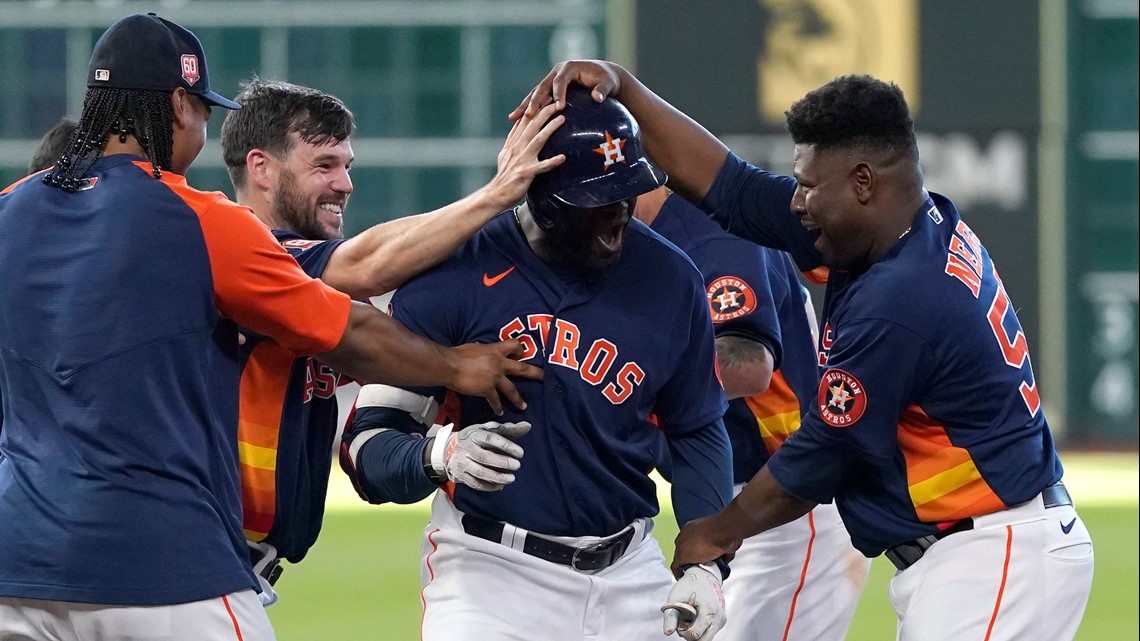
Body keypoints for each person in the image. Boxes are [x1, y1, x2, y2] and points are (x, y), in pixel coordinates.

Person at [0, 14, 541, 641]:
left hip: (17, 565)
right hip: (161, 562)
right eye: (202, 110)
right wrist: (456, 367)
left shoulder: (11, 211)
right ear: (179, 104)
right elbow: (348, 331)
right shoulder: (203, 221)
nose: (204, 127)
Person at [515, 62, 1095, 640]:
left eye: (809, 185)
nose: (798, 200)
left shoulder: (903, 297)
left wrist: (716, 534)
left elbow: (823, 451)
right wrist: (625, 86)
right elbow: (732, 189)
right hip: (979, 551)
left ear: (862, 182)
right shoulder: (898, 229)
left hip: (995, 554)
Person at [339, 87, 734, 641]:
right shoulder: (451, 274)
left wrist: (706, 562)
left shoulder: (671, 278)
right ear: (542, 195)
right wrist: (439, 453)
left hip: (630, 569)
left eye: (628, 191)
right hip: (490, 572)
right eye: (598, 197)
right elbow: (367, 446)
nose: (620, 211)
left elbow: (697, 431)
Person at [217, 78, 564, 602]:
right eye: (324, 166)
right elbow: (369, 264)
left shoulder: (286, 271)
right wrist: (498, 195)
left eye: (347, 165)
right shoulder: (246, 249)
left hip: (235, 564)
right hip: (206, 558)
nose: (344, 183)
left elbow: (368, 321)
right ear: (261, 167)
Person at [634, 186, 870, 641]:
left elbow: (749, 367)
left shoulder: (714, 234)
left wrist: (632, 388)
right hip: (735, 502)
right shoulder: (626, 239)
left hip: (789, 506)